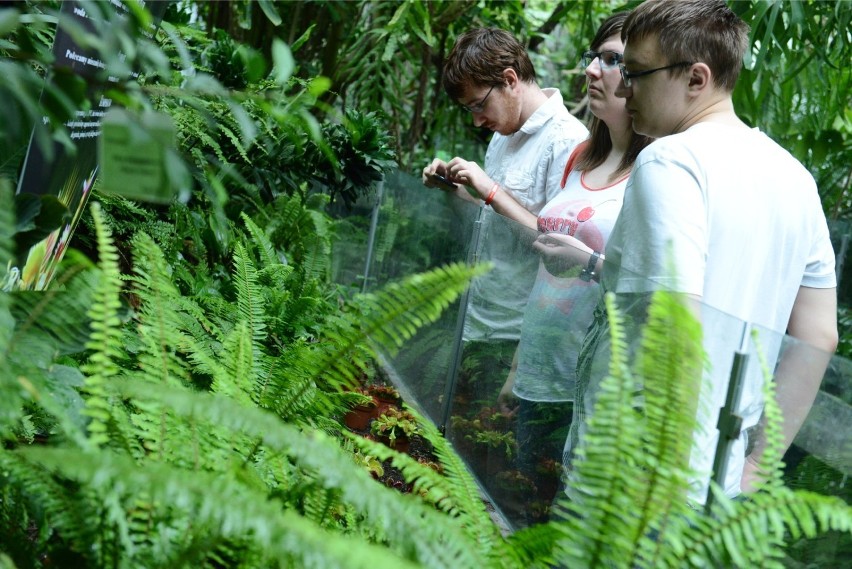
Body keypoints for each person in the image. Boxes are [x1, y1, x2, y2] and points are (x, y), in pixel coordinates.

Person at [565, 0, 838, 505]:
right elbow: (819, 335)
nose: (625, 89)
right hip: (721, 477)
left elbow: (676, 323)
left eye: (638, 74)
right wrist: (758, 463)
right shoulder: (795, 178)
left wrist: (659, 483)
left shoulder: (671, 162)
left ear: (696, 78)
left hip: (637, 480)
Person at [474, 13, 653, 517]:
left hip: (591, 383)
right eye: (594, 57)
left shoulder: (659, 168)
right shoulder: (581, 157)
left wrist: (592, 262)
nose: (593, 71)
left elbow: (656, 288)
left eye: (614, 60)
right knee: (520, 507)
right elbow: (546, 268)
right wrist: (517, 367)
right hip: (538, 369)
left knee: (562, 523)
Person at [421, 27, 588, 352]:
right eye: (469, 109)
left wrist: (491, 190)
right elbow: (494, 222)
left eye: (478, 104)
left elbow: (559, 250)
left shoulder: (567, 140)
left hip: (520, 334)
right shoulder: (503, 134)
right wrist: (453, 190)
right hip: (481, 317)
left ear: (510, 79)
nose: (477, 120)